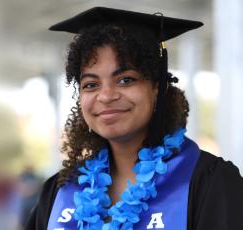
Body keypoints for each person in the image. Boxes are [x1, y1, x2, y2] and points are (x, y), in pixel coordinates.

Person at [25, 7, 243, 230]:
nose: (107, 96)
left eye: (126, 80)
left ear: (156, 88)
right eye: (91, 84)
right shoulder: (60, 190)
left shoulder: (210, 182)